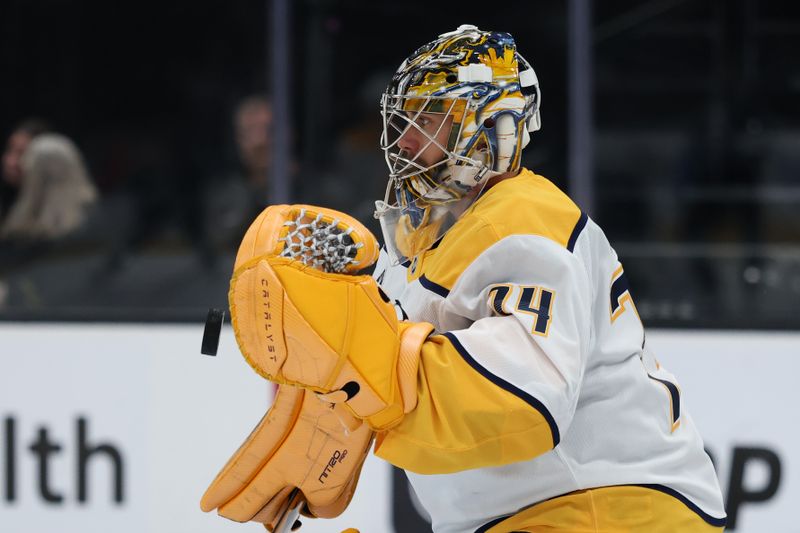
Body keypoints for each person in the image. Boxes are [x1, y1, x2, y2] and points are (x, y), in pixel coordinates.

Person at [203, 25, 726, 532]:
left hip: (604, 508)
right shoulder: (431, 239)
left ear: (493, 128)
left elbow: (522, 400)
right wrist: (326, 419)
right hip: (540, 512)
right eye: (404, 120)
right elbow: (387, 372)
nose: (405, 140)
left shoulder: (524, 219)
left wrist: (364, 376)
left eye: (429, 119)